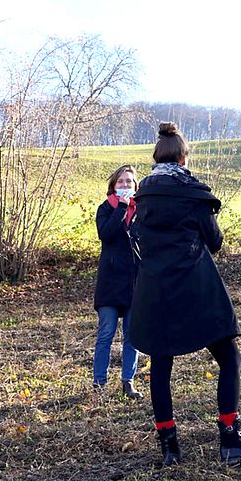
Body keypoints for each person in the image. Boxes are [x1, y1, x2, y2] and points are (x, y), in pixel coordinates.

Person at [129, 122, 241, 466]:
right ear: (183, 156)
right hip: (195, 288)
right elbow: (216, 242)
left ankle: (169, 448)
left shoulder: (141, 197)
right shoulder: (193, 194)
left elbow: (134, 239)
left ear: (156, 157)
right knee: (230, 359)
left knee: (160, 365)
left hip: (155, 291)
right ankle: (230, 439)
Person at [92, 165, 142, 399]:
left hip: (135, 282)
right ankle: (99, 383)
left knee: (133, 335)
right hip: (110, 282)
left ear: (135, 186)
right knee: (106, 333)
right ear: (113, 185)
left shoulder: (142, 211)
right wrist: (122, 206)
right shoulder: (105, 209)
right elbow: (106, 234)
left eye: (129, 182)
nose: (125, 185)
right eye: (121, 182)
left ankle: (128, 382)